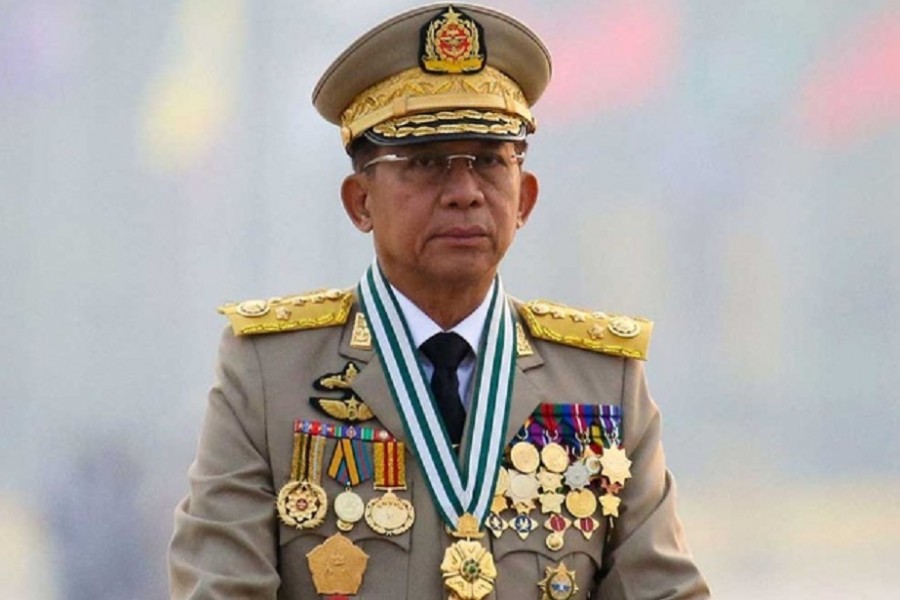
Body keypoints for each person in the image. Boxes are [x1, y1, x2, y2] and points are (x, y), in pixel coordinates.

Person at [168, 3, 710, 599]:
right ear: (360, 201)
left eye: (487, 161)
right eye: (425, 163)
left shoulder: (603, 381)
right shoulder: (270, 373)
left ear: (524, 197)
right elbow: (222, 586)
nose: (464, 194)